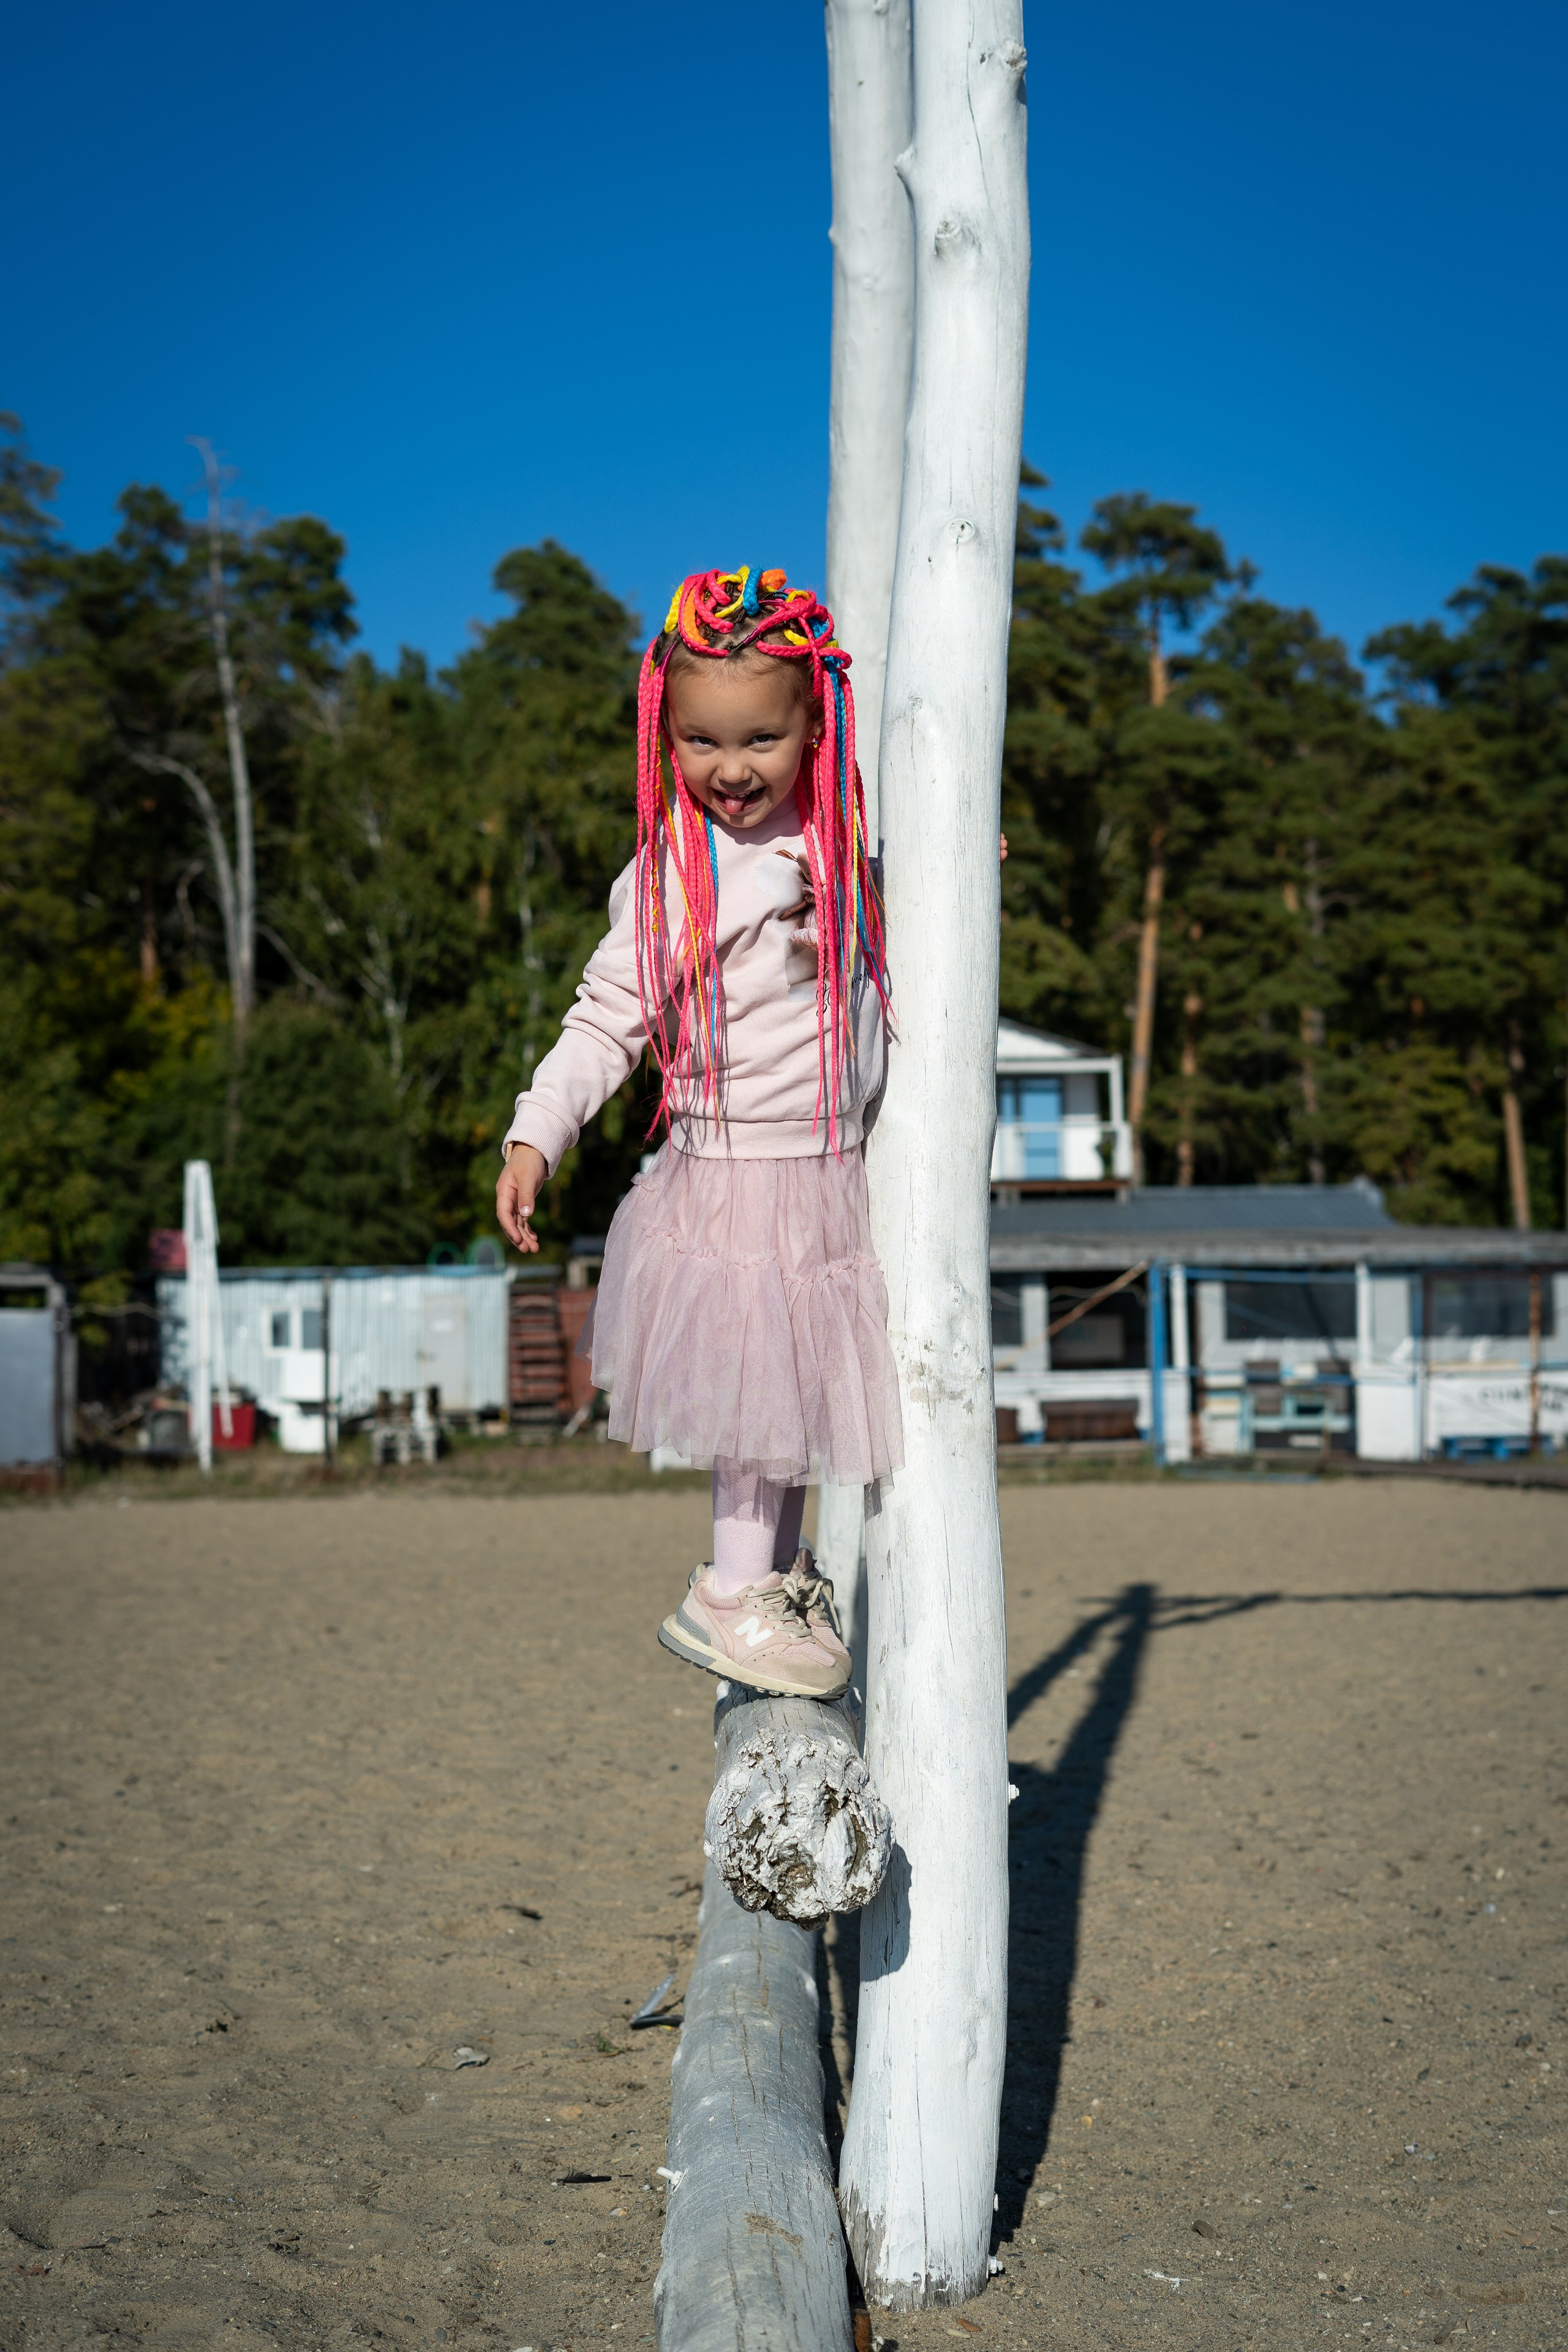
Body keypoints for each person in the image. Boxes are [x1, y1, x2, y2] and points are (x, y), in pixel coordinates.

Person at [495, 565, 902, 1701]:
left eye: (761, 740)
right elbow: (606, 1017)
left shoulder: (837, 841)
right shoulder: (674, 875)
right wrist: (539, 1134)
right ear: (662, 735)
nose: (731, 771)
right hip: (737, 1175)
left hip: (823, 1169)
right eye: (701, 743)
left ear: (815, 727)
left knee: (804, 1395)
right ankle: (729, 1593)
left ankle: (772, 1574)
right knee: (753, 1402)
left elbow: (883, 925)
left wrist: (955, 876)